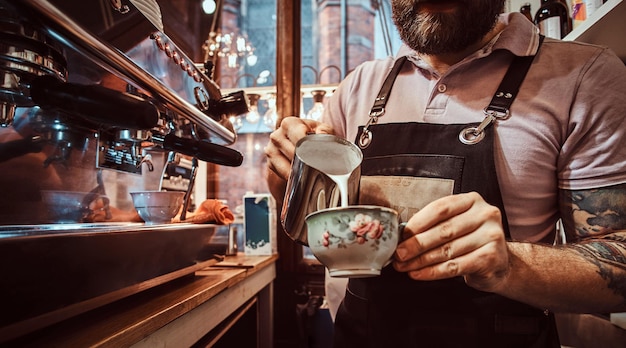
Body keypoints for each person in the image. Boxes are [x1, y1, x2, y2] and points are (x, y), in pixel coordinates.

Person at [265, 0, 626, 346]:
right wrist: (288, 178)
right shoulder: (359, 86)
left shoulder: (584, 76)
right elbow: (319, 228)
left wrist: (510, 266)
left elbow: (619, 261)